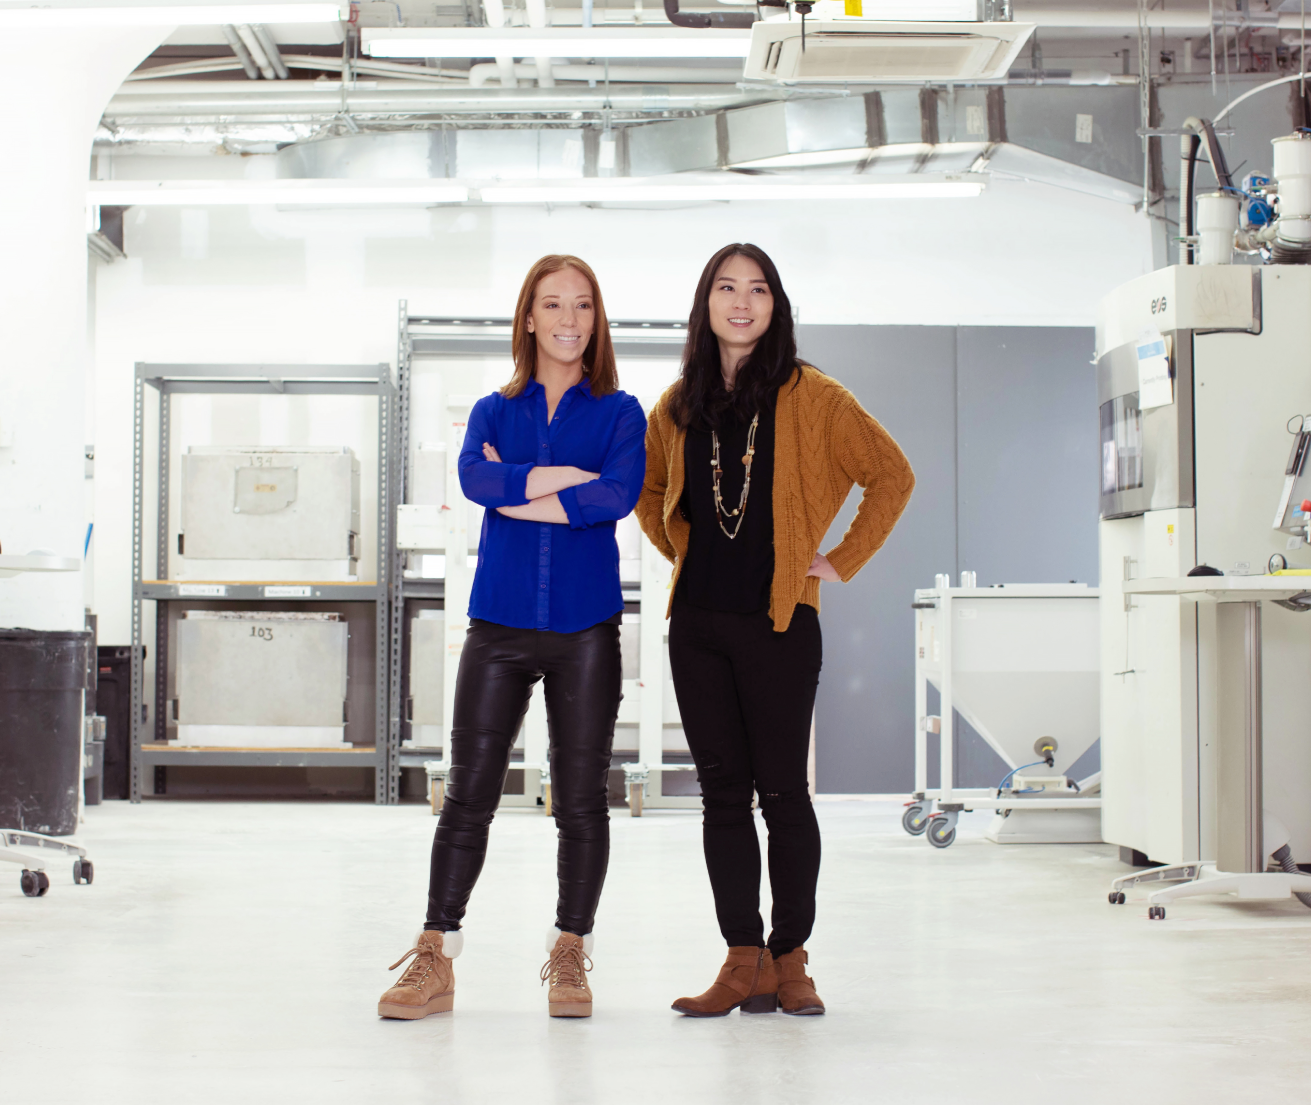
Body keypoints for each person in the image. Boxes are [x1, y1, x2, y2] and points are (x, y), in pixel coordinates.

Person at [637, 242, 914, 1017]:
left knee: (783, 794)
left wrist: (840, 559)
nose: (741, 302)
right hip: (697, 626)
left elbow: (892, 474)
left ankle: (792, 959)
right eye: (727, 288)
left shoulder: (814, 396)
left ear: (775, 305)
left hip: (779, 625)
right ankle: (742, 959)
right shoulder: (675, 403)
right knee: (722, 796)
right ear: (706, 304)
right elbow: (652, 489)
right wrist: (682, 552)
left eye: (757, 289)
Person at [378, 254, 646, 1021]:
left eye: (583, 306)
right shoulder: (493, 411)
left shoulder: (622, 412)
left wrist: (523, 482)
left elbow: (618, 496)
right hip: (496, 623)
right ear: (527, 317)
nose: (568, 320)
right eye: (552, 304)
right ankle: (435, 955)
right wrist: (569, 480)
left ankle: (570, 952)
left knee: (582, 801)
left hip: (586, 627)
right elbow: (474, 482)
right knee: (467, 795)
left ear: (597, 320)